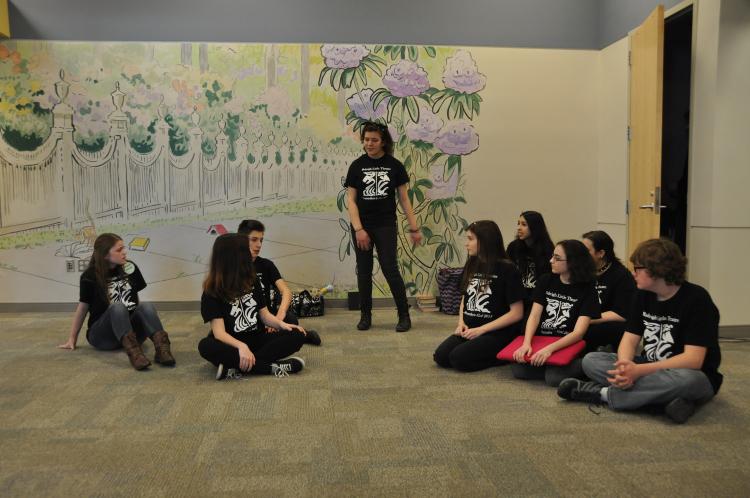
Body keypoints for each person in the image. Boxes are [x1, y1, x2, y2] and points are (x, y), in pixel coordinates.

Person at [558, 238, 723, 424]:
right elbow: (629, 340)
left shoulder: (697, 300)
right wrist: (625, 367)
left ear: (657, 270)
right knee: (592, 360)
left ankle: (602, 394)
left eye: (637, 269)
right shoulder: (642, 295)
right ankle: (664, 402)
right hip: (648, 367)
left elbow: (693, 360)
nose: (633, 273)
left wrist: (638, 371)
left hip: (690, 373)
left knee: (688, 381)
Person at [344, 121, 422, 332]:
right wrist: (359, 229)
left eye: (374, 140)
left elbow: (404, 199)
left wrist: (414, 228)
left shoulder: (395, 165)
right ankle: (365, 315)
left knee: (390, 269)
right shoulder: (356, 166)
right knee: (364, 272)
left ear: (383, 142)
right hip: (362, 226)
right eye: (366, 140)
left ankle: (404, 315)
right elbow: (351, 200)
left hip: (386, 225)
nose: (369, 144)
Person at [197, 233, 307, 380]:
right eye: (245, 250)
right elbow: (219, 334)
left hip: (257, 339)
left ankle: (236, 368)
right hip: (232, 344)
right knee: (205, 346)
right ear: (233, 257)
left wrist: (282, 325)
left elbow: (265, 315)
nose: (250, 252)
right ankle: (271, 367)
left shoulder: (251, 279)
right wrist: (242, 347)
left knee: (297, 334)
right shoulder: (212, 291)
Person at [59, 233, 174, 370]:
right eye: (119, 250)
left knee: (146, 306)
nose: (124, 252)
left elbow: (136, 302)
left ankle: (162, 351)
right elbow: (83, 308)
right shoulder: (89, 276)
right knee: (118, 307)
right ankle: (136, 356)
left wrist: (140, 319)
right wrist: (72, 338)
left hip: (130, 335)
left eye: (123, 248)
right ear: (105, 255)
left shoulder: (130, 267)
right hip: (103, 337)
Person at [433, 220, 524, 371]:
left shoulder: (508, 269)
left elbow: (517, 313)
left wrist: (482, 329)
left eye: (470, 239)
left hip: (495, 332)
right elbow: (465, 297)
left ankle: (503, 355)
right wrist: (461, 323)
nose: (466, 244)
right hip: (471, 329)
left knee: (458, 359)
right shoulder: (472, 263)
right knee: (441, 357)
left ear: (485, 241)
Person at [511, 239, 600, 387]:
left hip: (566, 342)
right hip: (543, 339)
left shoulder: (587, 289)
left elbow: (578, 333)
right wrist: (526, 343)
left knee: (554, 378)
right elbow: (534, 316)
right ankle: (550, 366)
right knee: (518, 370)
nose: (551, 260)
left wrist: (549, 350)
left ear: (572, 262)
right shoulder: (546, 280)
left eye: (557, 258)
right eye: (553, 256)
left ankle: (586, 363)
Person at [237, 219, 321, 346]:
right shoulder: (233, 267)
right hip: (246, 318)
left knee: (290, 318)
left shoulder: (266, 265)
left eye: (261, 240)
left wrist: (279, 317)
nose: (259, 245)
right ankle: (293, 335)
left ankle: (283, 334)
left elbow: (286, 291)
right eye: (254, 240)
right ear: (241, 241)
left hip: (267, 316)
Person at [581, 230, 637, 352]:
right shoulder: (582, 271)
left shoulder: (621, 275)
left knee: (592, 332)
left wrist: (586, 319)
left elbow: (622, 314)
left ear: (600, 253)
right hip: (586, 318)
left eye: (585, 251)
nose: (580, 254)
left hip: (608, 322)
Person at [506, 211, 554, 313]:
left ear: (535, 227)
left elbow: (549, 279)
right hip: (517, 297)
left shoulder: (548, 249)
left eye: (524, 225)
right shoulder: (513, 247)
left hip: (537, 299)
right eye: (518, 224)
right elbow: (508, 273)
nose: (519, 228)